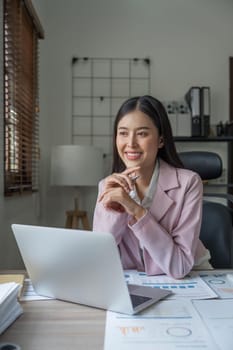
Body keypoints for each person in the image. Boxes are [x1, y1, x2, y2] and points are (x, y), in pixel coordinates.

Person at [93, 95, 212, 278]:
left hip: (193, 277)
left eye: (142, 133)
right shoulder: (107, 186)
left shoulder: (189, 183)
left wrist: (136, 210)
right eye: (123, 133)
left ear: (161, 140)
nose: (130, 143)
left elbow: (179, 267)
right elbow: (99, 258)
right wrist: (114, 211)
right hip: (137, 279)